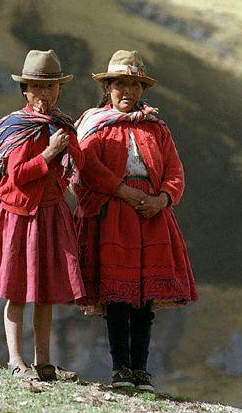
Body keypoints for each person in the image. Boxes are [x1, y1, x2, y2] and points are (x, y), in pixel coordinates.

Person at [73, 49, 198, 391]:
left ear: (142, 89)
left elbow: (174, 171)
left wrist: (162, 199)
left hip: (152, 217)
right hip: (114, 215)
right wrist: (121, 191)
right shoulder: (94, 127)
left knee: (145, 296)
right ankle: (121, 370)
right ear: (108, 87)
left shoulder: (156, 128)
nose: (126, 92)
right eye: (119, 85)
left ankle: (141, 371)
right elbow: (86, 167)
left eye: (133, 85)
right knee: (118, 294)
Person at [0, 49, 85, 382]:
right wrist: (50, 153)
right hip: (20, 218)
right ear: (24, 90)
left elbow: (79, 163)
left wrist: (71, 144)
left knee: (45, 293)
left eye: (50, 87)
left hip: (50, 214)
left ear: (59, 90)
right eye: (37, 87)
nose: (43, 94)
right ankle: (15, 361)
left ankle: (44, 363)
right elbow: (18, 175)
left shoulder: (60, 125)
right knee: (17, 292)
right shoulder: (18, 129)